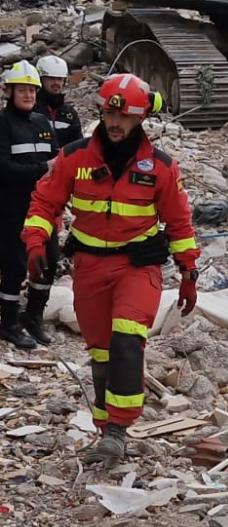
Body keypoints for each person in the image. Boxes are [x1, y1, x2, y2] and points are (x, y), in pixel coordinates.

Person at [22, 73, 199, 466]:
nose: (115, 123)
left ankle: (118, 430)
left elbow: (180, 224)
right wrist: (35, 241)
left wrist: (189, 273)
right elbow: (44, 203)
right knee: (101, 353)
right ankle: (106, 430)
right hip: (89, 267)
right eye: (109, 114)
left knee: (126, 340)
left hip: (138, 267)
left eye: (125, 118)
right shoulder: (75, 157)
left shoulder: (162, 168)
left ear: (140, 120)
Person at [0, 61, 57, 349]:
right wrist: (43, 168)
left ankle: (33, 316)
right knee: (15, 265)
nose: (28, 95)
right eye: (22, 90)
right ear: (8, 92)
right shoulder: (3, 123)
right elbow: (3, 169)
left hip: (45, 207)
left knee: (49, 260)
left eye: (32, 90)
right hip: (12, 207)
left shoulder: (41, 122)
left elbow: (58, 162)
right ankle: (9, 323)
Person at [34, 55, 82, 148]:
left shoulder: (69, 114)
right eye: (51, 78)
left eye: (60, 79)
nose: (56, 83)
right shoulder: (31, 109)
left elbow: (78, 146)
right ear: (40, 80)